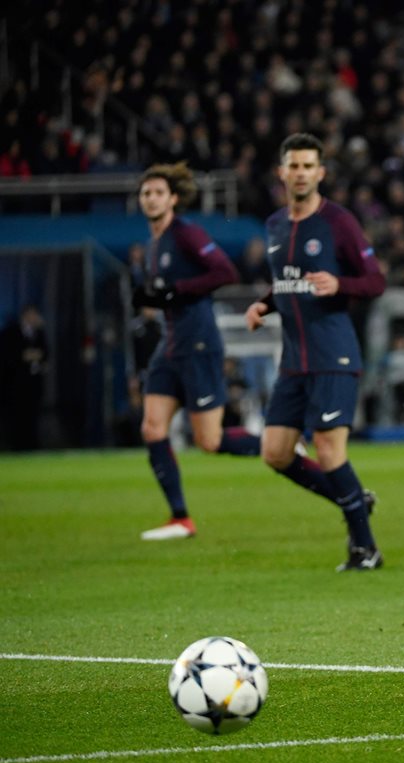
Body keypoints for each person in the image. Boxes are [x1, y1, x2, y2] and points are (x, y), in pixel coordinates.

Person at [244, 133, 386, 571]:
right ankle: (354, 499)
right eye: (294, 166)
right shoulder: (274, 226)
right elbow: (287, 279)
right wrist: (264, 303)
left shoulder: (338, 222)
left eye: (309, 166)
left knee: (327, 450)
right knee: (275, 452)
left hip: (334, 354)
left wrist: (341, 284)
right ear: (282, 172)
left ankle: (365, 548)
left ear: (320, 173)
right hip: (293, 361)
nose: (301, 173)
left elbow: (375, 281)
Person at [133, 162, 262, 540]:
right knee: (152, 428)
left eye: (157, 192)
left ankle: (282, 443)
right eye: (145, 193)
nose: (151, 199)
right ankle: (180, 519)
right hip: (170, 343)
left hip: (199, 341)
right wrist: (155, 298)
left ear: (172, 198)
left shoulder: (186, 233)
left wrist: (177, 292)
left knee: (210, 441)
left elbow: (225, 272)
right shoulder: (152, 244)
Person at [0, 304, 49, 450]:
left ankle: (31, 446)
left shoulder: (39, 333)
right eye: (32, 315)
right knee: (16, 418)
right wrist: (25, 355)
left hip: (34, 383)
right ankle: (16, 446)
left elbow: (45, 354)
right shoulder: (10, 332)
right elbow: (8, 356)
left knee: (32, 417)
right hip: (15, 385)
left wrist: (31, 355)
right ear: (25, 315)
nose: (35, 318)